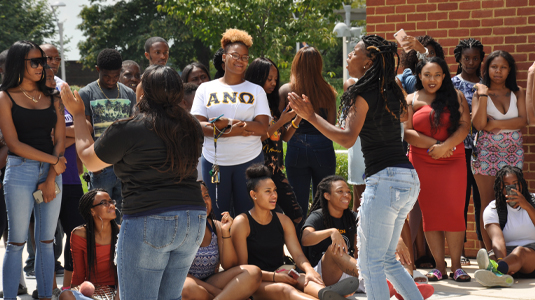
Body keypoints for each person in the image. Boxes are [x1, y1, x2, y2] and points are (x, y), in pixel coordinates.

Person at [289, 34, 423, 300]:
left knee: (370, 263)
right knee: (386, 259)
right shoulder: (392, 89)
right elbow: (402, 117)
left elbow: (347, 138)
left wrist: (311, 116)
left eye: (354, 52)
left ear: (369, 60)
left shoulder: (363, 91)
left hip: (384, 180)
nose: (348, 56)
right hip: (407, 178)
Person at [60, 64, 206, 299]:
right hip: (194, 219)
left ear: (144, 92)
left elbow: (90, 161)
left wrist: (78, 114)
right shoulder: (193, 126)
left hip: (150, 218)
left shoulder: (128, 129)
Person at [231, 164, 359, 300]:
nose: (274, 195)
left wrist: (310, 271)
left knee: (307, 280)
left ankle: (326, 293)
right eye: (268, 191)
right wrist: (275, 277)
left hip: (282, 271)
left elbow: (298, 256)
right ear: (253, 195)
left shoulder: (284, 220)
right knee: (286, 290)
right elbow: (243, 268)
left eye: (275, 190)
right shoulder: (241, 222)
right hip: (256, 280)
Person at [0, 40, 66, 300]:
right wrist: (52, 162)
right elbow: (14, 143)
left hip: (51, 172)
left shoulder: (54, 97)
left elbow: (60, 140)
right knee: (16, 242)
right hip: (19, 171)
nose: (43, 65)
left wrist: (51, 175)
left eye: (44, 60)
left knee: (46, 242)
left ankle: (46, 295)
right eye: (36, 61)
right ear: (20, 63)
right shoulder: (5, 97)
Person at [190, 28, 270, 219]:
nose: (240, 60)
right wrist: (233, 131)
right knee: (217, 213)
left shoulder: (256, 90)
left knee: (248, 214)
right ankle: (220, 250)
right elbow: (197, 127)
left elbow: (262, 128)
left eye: (244, 57)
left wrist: (228, 123)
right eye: (235, 55)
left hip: (250, 161)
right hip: (215, 162)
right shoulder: (206, 88)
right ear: (224, 57)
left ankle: (246, 250)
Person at [404, 57, 471, 282]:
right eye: (427, 75)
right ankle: (439, 267)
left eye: (437, 75)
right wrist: (435, 146)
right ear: (419, 76)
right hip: (423, 161)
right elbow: (407, 132)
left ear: (444, 76)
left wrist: (445, 147)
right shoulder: (411, 99)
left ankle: (457, 266)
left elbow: (464, 126)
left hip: (453, 158)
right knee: (430, 213)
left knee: (453, 211)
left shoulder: (457, 96)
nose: (432, 80)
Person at [472, 50, 527, 251]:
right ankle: (489, 253)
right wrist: (484, 94)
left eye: (503, 67)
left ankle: (507, 249)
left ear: (509, 70)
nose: (498, 71)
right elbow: (479, 124)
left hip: (513, 152)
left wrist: (495, 124)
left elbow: (523, 120)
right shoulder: (480, 92)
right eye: (494, 67)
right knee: (487, 202)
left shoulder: (518, 92)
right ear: (487, 69)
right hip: (486, 152)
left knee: (512, 199)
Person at [77, 48, 136, 223]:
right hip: (100, 166)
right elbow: (84, 130)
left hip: (124, 165)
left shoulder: (129, 94)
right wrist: (91, 163)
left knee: (124, 214)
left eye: (116, 76)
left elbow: (132, 127)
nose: (111, 80)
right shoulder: (86, 93)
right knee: (101, 214)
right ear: (98, 70)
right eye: (106, 77)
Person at [244, 57, 303, 224]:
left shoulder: (272, 104)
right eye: (269, 79)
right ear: (257, 77)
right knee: (268, 217)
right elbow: (258, 137)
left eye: (275, 79)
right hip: (259, 171)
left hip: (276, 170)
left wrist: (297, 118)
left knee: (296, 214)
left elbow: (284, 137)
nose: (273, 83)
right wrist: (281, 121)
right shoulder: (250, 104)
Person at [279, 46, 337, 217]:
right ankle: (319, 240)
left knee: (297, 204)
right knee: (323, 201)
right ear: (319, 65)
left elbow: (282, 130)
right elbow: (330, 125)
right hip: (323, 146)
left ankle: (298, 241)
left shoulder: (285, 90)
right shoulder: (329, 91)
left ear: (296, 64)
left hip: (296, 146)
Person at [182, 181, 262, 300]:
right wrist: (217, 291)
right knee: (187, 289)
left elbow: (230, 265)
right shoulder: (180, 229)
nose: (205, 201)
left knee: (254, 272)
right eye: (199, 197)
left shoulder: (216, 227)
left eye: (206, 196)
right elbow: (177, 273)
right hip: (188, 283)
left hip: (212, 281)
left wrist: (225, 232)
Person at [452, 38, 486, 264]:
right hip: (461, 150)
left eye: (475, 58)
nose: (471, 62)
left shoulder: (487, 83)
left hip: (485, 149)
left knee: (483, 201)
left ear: (481, 59)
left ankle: (486, 247)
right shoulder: (451, 84)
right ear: (459, 59)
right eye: (466, 58)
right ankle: (460, 250)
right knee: (460, 200)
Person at [474, 165, 535, 287]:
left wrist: (527, 206)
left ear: (521, 184)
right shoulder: (493, 208)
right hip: (507, 256)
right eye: (506, 184)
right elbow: (498, 239)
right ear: (500, 187)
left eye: (515, 183)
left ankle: (494, 270)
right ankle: (500, 271)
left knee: (520, 251)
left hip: (531, 255)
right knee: (501, 254)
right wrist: (501, 259)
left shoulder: (533, 201)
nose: (511, 187)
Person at [58, 189, 119, 300]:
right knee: (65, 296)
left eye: (111, 202)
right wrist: (76, 295)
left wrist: (118, 297)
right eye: (104, 203)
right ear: (92, 211)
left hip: (119, 290)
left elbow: (126, 273)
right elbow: (78, 274)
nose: (111, 206)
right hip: (92, 291)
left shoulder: (122, 232)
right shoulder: (79, 234)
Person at [135, 37, 169, 103]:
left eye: (165, 52)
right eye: (157, 52)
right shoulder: (143, 81)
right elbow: (138, 109)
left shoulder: (171, 78)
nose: (163, 56)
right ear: (147, 55)